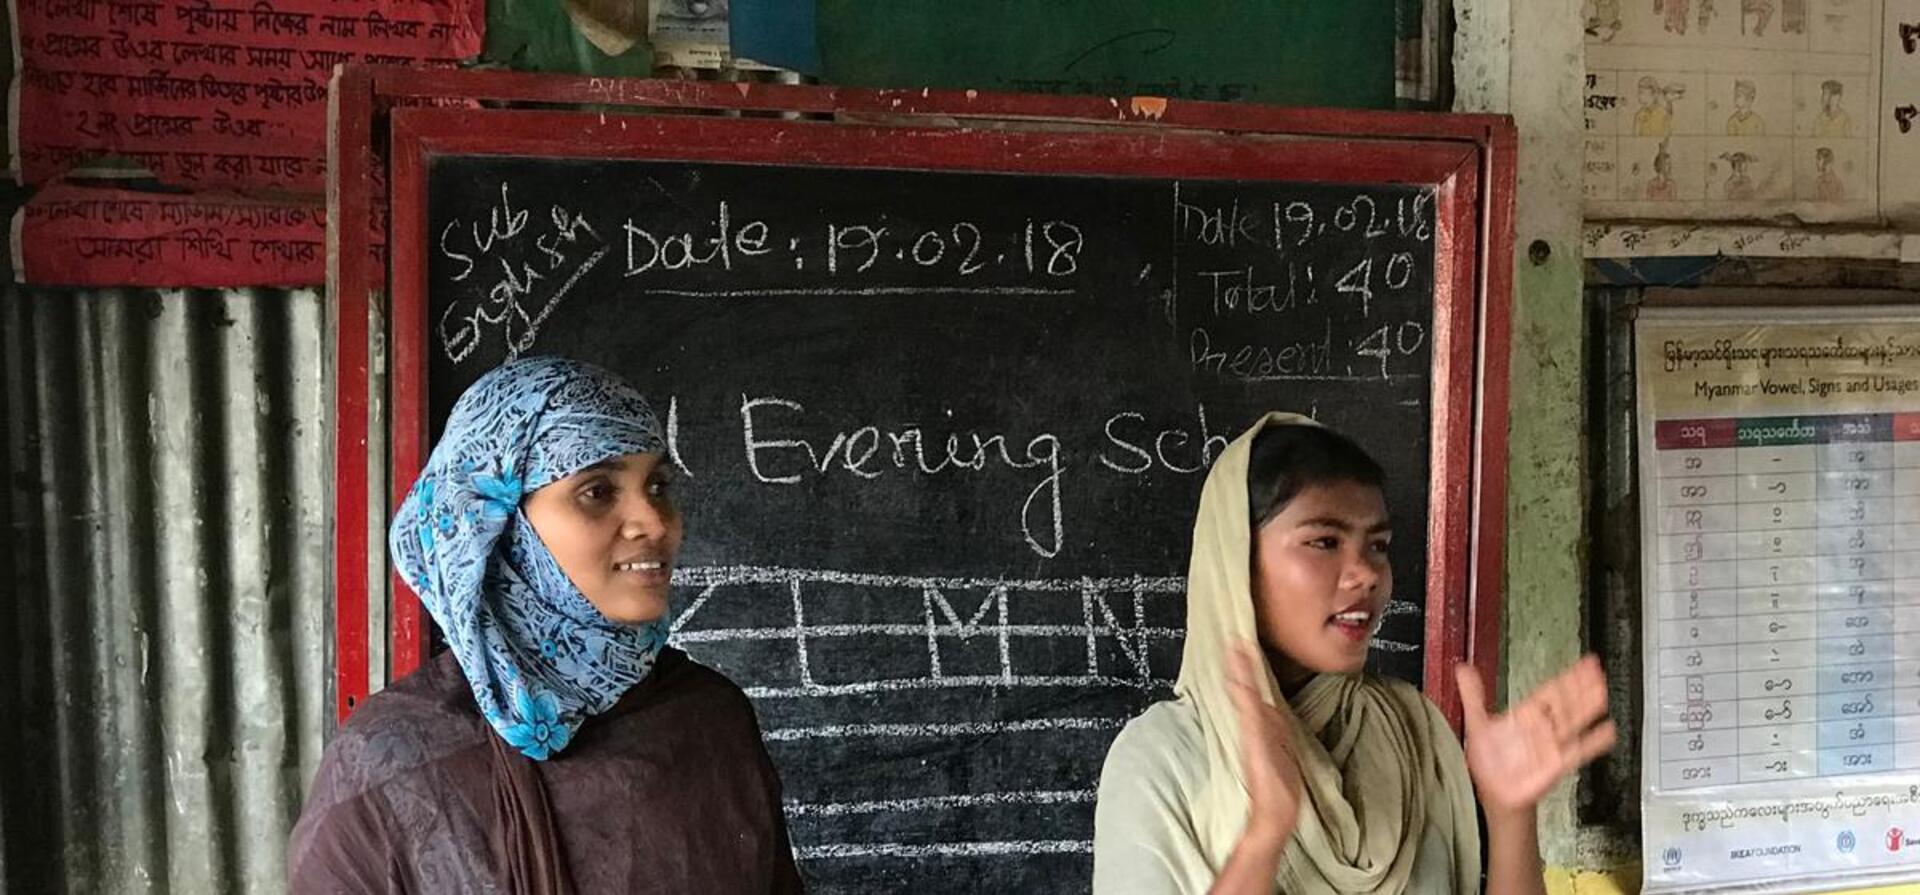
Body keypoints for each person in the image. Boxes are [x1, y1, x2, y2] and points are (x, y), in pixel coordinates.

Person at [290, 357, 804, 894]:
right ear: (499, 524)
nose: (654, 522)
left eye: (658, 485)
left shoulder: (709, 723)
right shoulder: (389, 767)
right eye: (598, 491)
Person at [1092, 415, 1614, 895]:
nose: (1365, 573)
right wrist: (1267, 829)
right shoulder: (1161, 762)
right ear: (1237, 562)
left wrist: (1510, 815)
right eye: (1324, 542)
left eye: (1378, 546)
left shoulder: (1412, 732)